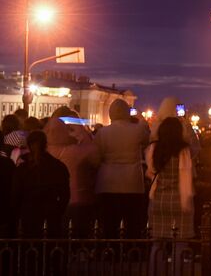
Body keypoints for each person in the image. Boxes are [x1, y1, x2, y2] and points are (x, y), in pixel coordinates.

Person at [94, 99, 148, 238]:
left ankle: (109, 252)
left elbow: (96, 157)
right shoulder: (137, 130)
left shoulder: (102, 133)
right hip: (132, 182)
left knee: (109, 223)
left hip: (107, 182)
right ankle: (132, 252)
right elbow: (147, 138)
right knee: (132, 222)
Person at [145, 117, 195, 268]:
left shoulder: (153, 149)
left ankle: (155, 272)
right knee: (179, 244)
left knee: (157, 244)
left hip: (159, 200)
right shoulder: (184, 151)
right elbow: (186, 176)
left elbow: (151, 172)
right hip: (179, 201)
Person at [44, 114, 98, 238]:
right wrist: (82, 132)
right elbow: (94, 153)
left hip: (51, 202)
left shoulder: (44, 152)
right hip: (77, 199)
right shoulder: (74, 152)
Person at [12, 130, 69, 237]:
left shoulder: (23, 168)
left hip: (29, 214)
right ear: (46, 144)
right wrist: (57, 210)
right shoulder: (58, 166)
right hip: (50, 214)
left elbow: (16, 194)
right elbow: (65, 194)